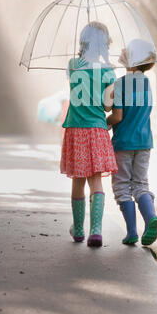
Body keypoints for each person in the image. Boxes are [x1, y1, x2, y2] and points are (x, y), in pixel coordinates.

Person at [60, 21, 117, 247]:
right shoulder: (108, 71)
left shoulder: (73, 64)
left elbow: (73, 87)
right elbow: (106, 107)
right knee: (96, 182)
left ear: (83, 41)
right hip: (97, 129)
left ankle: (78, 229)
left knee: (78, 180)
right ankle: (96, 230)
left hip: (75, 129)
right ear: (104, 45)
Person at [107, 39, 157, 246]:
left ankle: (131, 232)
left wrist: (104, 124)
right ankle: (150, 217)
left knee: (121, 187)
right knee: (140, 184)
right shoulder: (147, 84)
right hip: (145, 142)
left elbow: (117, 117)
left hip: (123, 144)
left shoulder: (120, 84)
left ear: (133, 60)